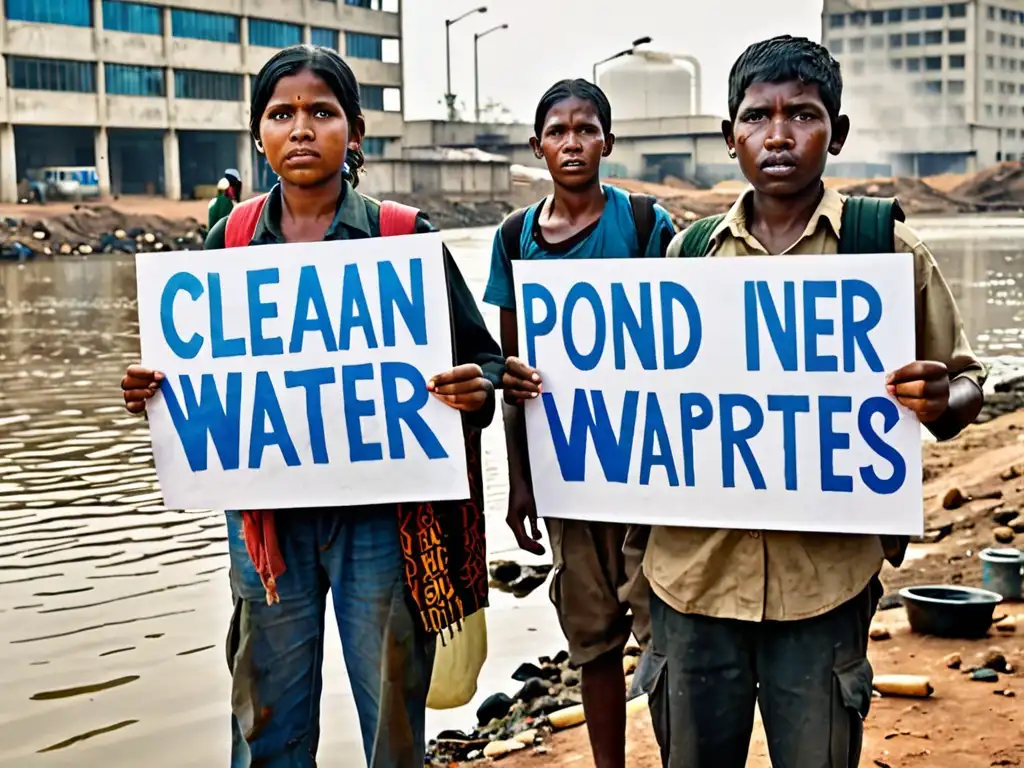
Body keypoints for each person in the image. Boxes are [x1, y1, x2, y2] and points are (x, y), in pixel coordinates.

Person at [120, 44, 504, 768]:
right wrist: (158, 395)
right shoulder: (227, 242)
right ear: (259, 135)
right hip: (269, 527)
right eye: (281, 113)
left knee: (392, 711)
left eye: (321, 112)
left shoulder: (402, 237)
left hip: (382, 524)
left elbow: (482, 359)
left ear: (354, 133)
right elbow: (201, 377)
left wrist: (474, 389)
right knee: (266, 712)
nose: (302, 128)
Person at [638, 35, 986, 768]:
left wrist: (938, 397)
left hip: (824, 585)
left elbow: (966, 383)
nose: (777, 134)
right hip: (693, 583)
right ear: (728, 136)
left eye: (801, 114)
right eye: (757, 116)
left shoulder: (883, 250)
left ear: (838, 131)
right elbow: (637, 407)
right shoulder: (685, 258)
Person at [483, 78, 676, 768]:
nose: (572, 143)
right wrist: (520, 483)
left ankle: (676, 751)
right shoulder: (516, 238)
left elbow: (688, 343)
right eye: (558, 131)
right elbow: (513, 378)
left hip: (648, 472)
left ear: (608, 142)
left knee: (665, 633)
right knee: (592, 639)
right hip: (569, 474)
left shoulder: (648, 224)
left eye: (585, 129)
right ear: (538, 146)